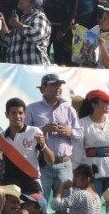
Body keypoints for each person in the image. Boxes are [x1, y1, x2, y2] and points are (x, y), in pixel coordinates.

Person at [23, 73, 82, 204]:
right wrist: (42, 130)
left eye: (59, 85)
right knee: (38, 205)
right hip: (41, 164)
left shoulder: (69, 110)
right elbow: (24, 136)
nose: (58, 88)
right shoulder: (32, 109)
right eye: (54, 85)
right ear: (43, 88)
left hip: (64, 164)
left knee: (65, 206)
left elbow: (79, 135)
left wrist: (68, 131)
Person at [1, 0, 51, 66]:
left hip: (34, 70)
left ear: (34, 3)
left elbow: (36, 34)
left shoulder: (39, 16)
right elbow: (7, 39)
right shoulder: (22, 21)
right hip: (19, 71)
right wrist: (2, 21)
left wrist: (16, 23)